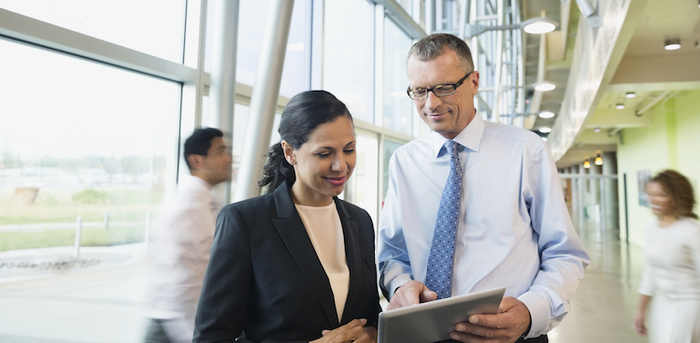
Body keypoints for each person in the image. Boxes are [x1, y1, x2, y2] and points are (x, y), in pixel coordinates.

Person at [377, 33, 590, 343]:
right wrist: (399, 287)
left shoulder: (526, 151)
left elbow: (564, 254)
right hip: (425, 334)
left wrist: (530, 313)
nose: (431, 103)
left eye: (444, 88)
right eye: (419, 91)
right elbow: (392, 254)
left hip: (510, 334)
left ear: (474, 82)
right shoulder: (403, 162)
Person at [193, 90, 381, 343]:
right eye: (324, 154)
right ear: (290, 152)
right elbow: (211, 338)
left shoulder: (361, 221)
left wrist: (372, 333)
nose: (341, 165)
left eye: (349, 149)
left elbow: (370, 315)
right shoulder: (245, 221)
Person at [144, 127, 233, 343]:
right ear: (197, 161)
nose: (228, 159)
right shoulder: (187, 209)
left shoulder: (206, 202)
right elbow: (180, 284)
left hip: (188, 322)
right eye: (220, 152)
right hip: (174, 325)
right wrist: (194, 335)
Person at [634, 169, 700, 342]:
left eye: (661, 194)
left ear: (677, 196)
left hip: (690, 304)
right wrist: (641, 309)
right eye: (650, 194)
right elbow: (650, 271)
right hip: (661, 303)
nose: (653, 200)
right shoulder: (650, 227)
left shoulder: (692, 230)